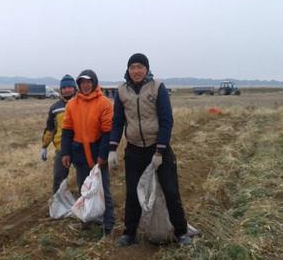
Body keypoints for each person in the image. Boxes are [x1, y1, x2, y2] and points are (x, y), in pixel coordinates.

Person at [108, 53, 190, 246]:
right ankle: (129, 233)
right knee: (132, 192)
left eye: (140, 67)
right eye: (132, 67)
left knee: (170, 190)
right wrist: (112, 148)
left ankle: (181, 232)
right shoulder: (121, 91)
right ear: (128, 70)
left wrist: (160, 152)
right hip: (134, 150)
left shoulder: (157, 87)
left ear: (147, 69)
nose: (136, 71)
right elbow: (117, 121)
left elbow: (166, 120)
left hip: (157, 149)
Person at [61, 69, 115, 239]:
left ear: (94, 83)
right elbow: (67, 130)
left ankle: (108, 224)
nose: (85, 85)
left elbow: (107, 132)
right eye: (82, 82)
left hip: (97, 151)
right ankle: (87, 220)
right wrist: (65, 153)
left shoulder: (104, 103)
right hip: (79, 154)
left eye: (88, 82)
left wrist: (102, 155)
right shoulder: (72, 104)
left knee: (103, 189)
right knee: (83, 189)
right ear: (79, 85)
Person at [41, 75, 78, 193]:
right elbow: (50, 128)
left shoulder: (82, 103)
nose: (67, 89)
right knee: (59, 180)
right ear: (61, 90)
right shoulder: (55, 108)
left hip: (81, 148)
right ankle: (58, 206)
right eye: (64, 87)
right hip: (62, 150)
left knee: (86, 179)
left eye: (70, 87)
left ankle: (86, 206)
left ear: (75, 88)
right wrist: (44, 146)